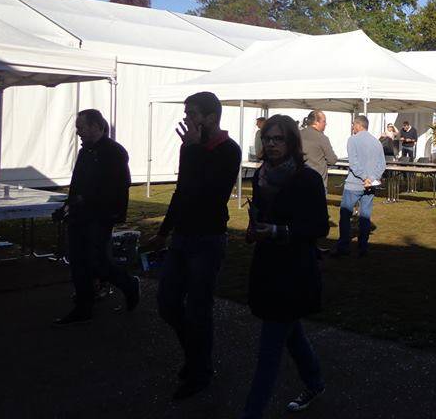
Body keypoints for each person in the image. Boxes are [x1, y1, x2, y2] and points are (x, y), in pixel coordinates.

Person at [153, 91, 242, 401]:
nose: (186, 119)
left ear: (211, 118)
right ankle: (196, 357)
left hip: (208, 238)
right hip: (182, 237)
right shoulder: (189, 148)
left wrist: (193, 149)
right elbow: (183, 191)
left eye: (192, 113)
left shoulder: (228, 150)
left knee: (198, 309)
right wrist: (164, 231)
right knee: (167, 303)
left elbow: (210, 193)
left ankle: (199, 369)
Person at [241, 115, 329, 418]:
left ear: (291, 141)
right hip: (267, 268)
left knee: (269, 351)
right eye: (267, 138)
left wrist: (281, 232)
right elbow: (262, 217)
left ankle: (252, 412)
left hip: (293, 272)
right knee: (291, 335)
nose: (272, 144)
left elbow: (319, 226)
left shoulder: (307, 179)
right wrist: (254, 230)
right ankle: (315, 382)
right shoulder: (261, 176)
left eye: (278, 139)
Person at [52, 109, 139, 327]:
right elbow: (77, 183)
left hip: (100, 216)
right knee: (78, 260)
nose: (78, 132)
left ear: (96, 126)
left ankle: (128, 284)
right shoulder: (85, 152)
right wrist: (67, 206)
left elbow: (120, 187)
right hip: (81, 215)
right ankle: (84, 306)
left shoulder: (114, 152)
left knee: (97, 262)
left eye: (81, 127)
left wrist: (91, 201)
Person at [335, 115, 386, 257]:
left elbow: (354, 163)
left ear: (358, 125)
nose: (352, 127)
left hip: (354, 184)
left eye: (353, 125)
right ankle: (363, 246)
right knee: (365, 216)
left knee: (345, 215)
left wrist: (365, 178)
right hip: (370, 185)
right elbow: (382, 165)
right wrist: (372, 178)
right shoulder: (377, 142)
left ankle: (343, 246)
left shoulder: (352, 140)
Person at [300, 110, 338, 190]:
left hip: (300, 180)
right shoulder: (322, 138)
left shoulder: (298, 134)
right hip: (318, 182)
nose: (325, 124)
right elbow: (332, 160)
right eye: (324, 121)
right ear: (316, 122)